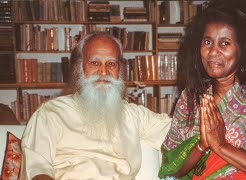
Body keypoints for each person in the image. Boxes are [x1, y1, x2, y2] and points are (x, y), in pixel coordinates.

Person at [159, 1, 246, 179]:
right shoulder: (190, 98)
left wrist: (221, 146)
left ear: (242, 50)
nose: (213, 52)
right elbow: (172, 173)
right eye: (207, 42)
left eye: (225, 43)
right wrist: (201, 146)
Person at [20, 32, 172, 180]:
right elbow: (37, 169)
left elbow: (178, 132)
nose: (103, 72)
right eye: (94, 63)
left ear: (119, 71)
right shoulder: (52, 113)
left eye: (111, 64)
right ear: (80, 68)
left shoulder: (134, 115)